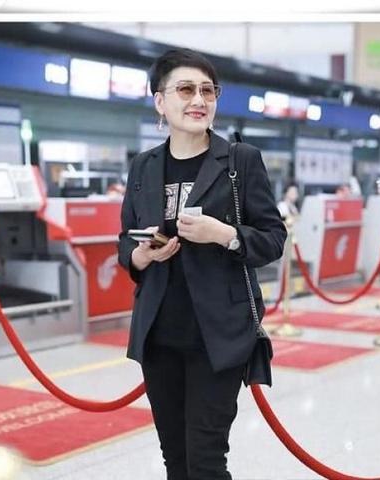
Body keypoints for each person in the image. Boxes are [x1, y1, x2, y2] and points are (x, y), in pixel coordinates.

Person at [118, 48, 287, 480]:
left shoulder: (240, 161)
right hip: (158, 335)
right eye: (186, 89)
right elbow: (125, 240)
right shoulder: (143, 166)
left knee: (206, 462)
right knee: (175, 459)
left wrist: (224, 234)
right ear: (160, 101)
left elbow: (273, 238)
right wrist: (140, 254)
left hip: (218, 336)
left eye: (208, 91)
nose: (198, 100)